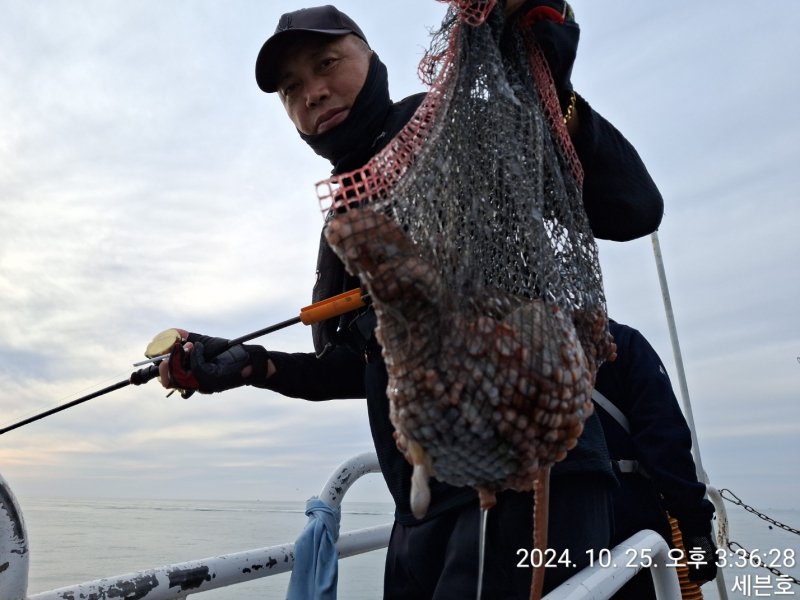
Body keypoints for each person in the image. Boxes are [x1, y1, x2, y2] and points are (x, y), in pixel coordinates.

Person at [158, 2, 666, 597]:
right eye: (292, 88)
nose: (313, 93)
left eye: (327, 64)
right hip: (422, 505)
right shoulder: (346, 213)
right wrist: (250, 366)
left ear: (371, 59)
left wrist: (559, 96)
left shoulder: (458, 128)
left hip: (521, 483)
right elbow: (359, 366)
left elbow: (634, 207)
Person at [593, 321, 717, 599]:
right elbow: (666, 445)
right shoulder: (619, 342)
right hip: (621, 527)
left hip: (509, 542)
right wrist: (696, 530)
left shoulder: (484, 347)